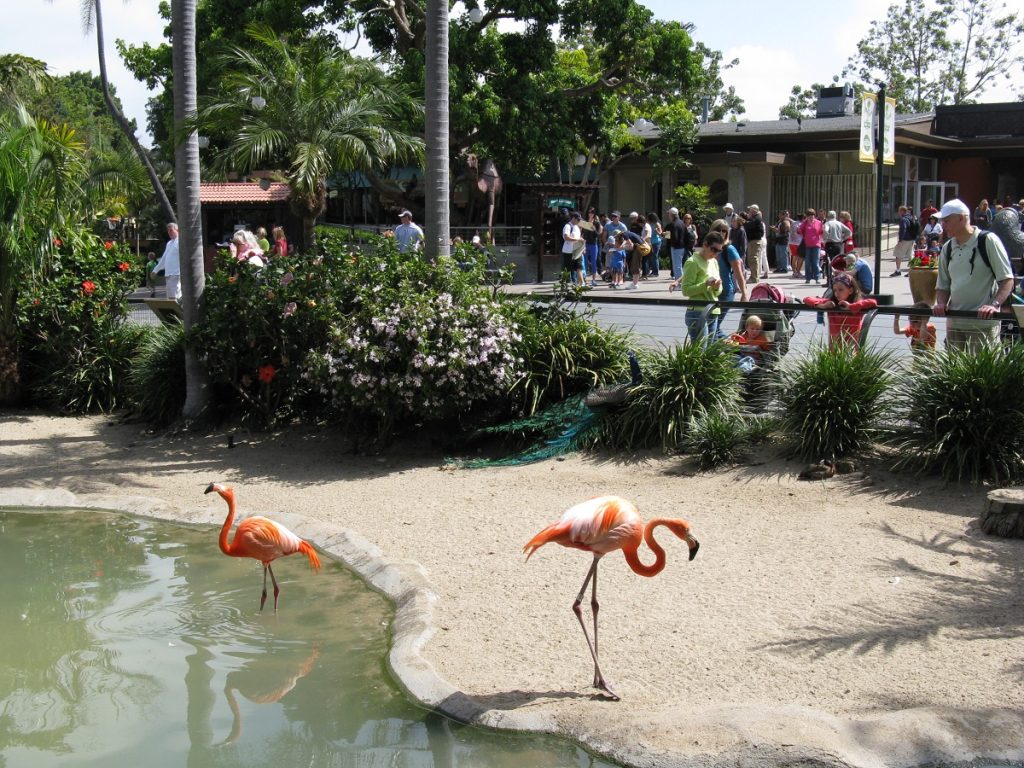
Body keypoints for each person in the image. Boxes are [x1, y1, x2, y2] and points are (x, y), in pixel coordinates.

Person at [933, 198, 1014, 351]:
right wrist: (941, 303)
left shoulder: (988, 240)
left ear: (961, 218)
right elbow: (943, 285)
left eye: (946, 221)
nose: (943, 226)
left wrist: (994, 305)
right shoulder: (947, 248)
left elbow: (1007, 279)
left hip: (982, 326)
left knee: (984, 374)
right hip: (954, 325)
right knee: (953, 372)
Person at [669, 231, 724, 342]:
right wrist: (705, 285)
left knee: (710, 353)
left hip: (713, 310)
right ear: (705, 244)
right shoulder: (693, 262)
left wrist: (717, 287)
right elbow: (686, 290)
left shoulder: (714, 262)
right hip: (697, 312)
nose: (715, 253)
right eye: (713, 249)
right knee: (700, 351)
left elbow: (718, 292)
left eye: (719, 251)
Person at [802, 272, 878, 348]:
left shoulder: (856, 304)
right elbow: (806, 299)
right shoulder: (831, 303)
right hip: (834, 346)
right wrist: (822, 305)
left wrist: (851, 307)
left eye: (841, 290)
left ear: (850, 290)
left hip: (852, 346)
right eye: (834, 290)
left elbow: (873, 302)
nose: (837, 293)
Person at [709, 218, 747, 336]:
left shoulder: (729, 249)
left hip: (725, 292)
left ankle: (734, 353)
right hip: (710, 292)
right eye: (718, 230)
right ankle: (734, 352)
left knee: (713, 326)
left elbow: (738, 272)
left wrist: (744, 293)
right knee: (712, 327)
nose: (721, 233)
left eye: (724, 231)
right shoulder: (709, 248)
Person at [153, 222, 181, 301]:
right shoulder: (169, 243)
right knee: (169, 298)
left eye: (171, 230)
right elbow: (164, 258)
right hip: (168, 274)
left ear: (177, 230)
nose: (169, 232)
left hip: (176, 274)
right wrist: (155, 270)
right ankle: (173, 313)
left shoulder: (180, 242)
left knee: (175, 298)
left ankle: (179, 313)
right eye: (168, 231)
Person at [797, 207, 823, 284]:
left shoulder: (818, 223)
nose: (811, 218)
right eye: (809, 216)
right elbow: (799, 231)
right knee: (808, 262)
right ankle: (808, 278)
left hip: (816, 244)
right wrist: (800, 230)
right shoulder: (804, 223)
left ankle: (817, 277)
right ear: (807, 216)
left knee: (815, 262)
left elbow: (821, 232)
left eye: (812, 216)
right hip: (807, 245)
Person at [743, 204, 767, 283]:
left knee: (753, 258)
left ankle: (755, 277)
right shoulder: (753, 218)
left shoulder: (757, 218)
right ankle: (753, 276)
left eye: (750, 210)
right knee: (751, 259)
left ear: (754, 210)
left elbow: (749, 225)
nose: (748, 211)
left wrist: (744, 222)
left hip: (755, 241)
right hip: (752, 240)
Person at [561, 211, 585, 284]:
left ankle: (581, 283)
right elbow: (566, 237)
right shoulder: (567, 226)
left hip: (577, 250)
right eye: (578, 220)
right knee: (567, 269)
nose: (579, 221)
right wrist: (576, 239)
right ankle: (566, 284)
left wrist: (583, 245)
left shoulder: (576, 227)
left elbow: (579, 237)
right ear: (573, 218)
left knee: (579, 267)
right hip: (568, 251)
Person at [892, 205, 916, 277]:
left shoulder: (903, 219)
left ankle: (898, 270)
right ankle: (912, 271)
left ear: (902, 211)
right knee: (910, 255)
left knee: (898, 254)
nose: (898, 212)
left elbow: (903, 229)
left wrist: (900, 240)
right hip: (912, 239)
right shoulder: (912, 218)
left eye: (899, 211)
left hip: (905, 239)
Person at [582, 208, 603, 286]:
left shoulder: (597, 223)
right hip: (586, 244)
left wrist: (594, 230)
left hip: (594, 244)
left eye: (592, 212)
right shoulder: (585, 222)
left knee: (594, 261)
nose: (590, 214)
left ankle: (593, 280)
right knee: (584, 262)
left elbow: (598, 235)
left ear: (594, 214)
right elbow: (583, 234)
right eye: (589, 212)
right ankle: (583, 279)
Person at [646, 211, 662, 278]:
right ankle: (651, 271)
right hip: (650, 242)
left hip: (656, 242)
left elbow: (660, 233)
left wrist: (656, 231)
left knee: (654, 257)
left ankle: (656, 272)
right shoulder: (648, 224)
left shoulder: (657, 224)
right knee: (650, 257)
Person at [789, 212, 805, 278]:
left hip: (792, 242)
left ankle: (794, 272)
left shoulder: (793, 223)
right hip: (800, 242)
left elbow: (790, 231)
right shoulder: (803, 224)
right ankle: (798, 271)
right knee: (800, 257)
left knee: (794, 257)